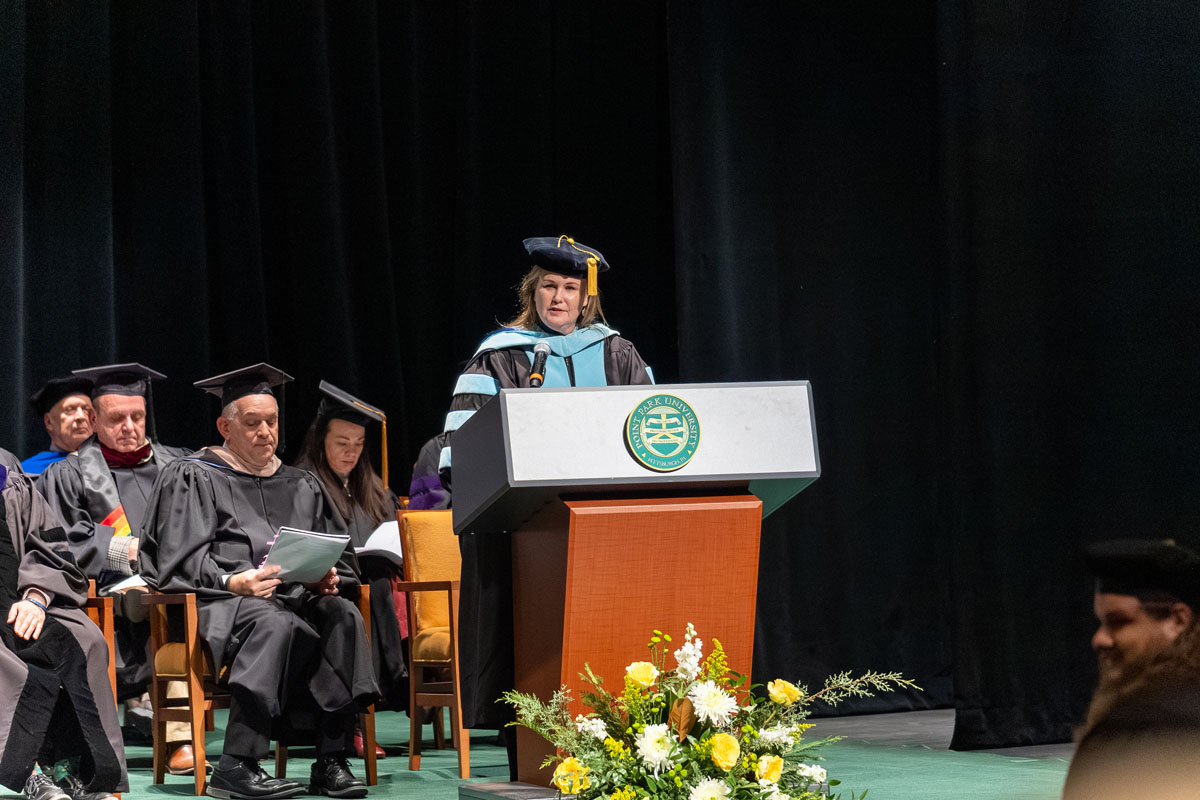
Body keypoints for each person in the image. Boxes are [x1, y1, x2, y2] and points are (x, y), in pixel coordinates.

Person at [438, 235, 653, 767]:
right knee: (528, 643)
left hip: (608, 528)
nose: (559, 298)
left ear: (587, 297)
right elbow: (459, 456)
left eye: (570, 288)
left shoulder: (617, 352)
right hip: (524, 535)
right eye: (549, 287)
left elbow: (653, 433)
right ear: (532, 292)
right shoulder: (498, 356)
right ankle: (533, 756)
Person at [139, 363, 378, 800]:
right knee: (276, 623)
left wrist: (325, 577)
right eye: (252, 423)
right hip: (220, 604)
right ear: (225, 427)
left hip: (290, 600)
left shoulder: (301, 482)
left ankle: (330, 759)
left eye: (272, 421)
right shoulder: (196, 476)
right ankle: (236, 765)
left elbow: (338, 554)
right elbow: (173, 563)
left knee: (341, 614)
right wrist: (234, 582)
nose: (266, 432)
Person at [35, 363, 197, 771]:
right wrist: (126, 551)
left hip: (181, 583)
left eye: (137, 417)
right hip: (109, 589)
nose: (129, 426)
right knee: (158, 606)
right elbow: (65, 545)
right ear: (93, 420)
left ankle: (180, 729)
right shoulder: (68, 474)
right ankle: (177, 738)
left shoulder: (176, 467)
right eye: (116, 418)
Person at [0, 462, 126, 800]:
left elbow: (51, 547)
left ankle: (80, 772)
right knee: (13, 665)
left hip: (20, 598)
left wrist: (37, 597)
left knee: (85, 641)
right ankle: (31, 772)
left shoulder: (7, 475)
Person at [294, 381, 407, 752]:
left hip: (374, 589)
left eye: (358, 444)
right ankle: (366, 711)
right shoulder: (303, 486)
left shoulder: (374, 491)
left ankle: (389, 691)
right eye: (342, 442)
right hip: (325, 590)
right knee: (367, 591)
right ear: (320, 441)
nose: (351, 452)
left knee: (379, 584)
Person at [1062, 538, 1200, 799]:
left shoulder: (1137, 732)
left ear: (1178, 620)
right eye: (1101, 623)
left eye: (1119, 622)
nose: (1099, 639)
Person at [21, 377, 95, 476]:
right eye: (70, 410)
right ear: (49, 422)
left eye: (86, 410)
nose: (81, 416)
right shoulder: (26, 472)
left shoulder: (109, 464)